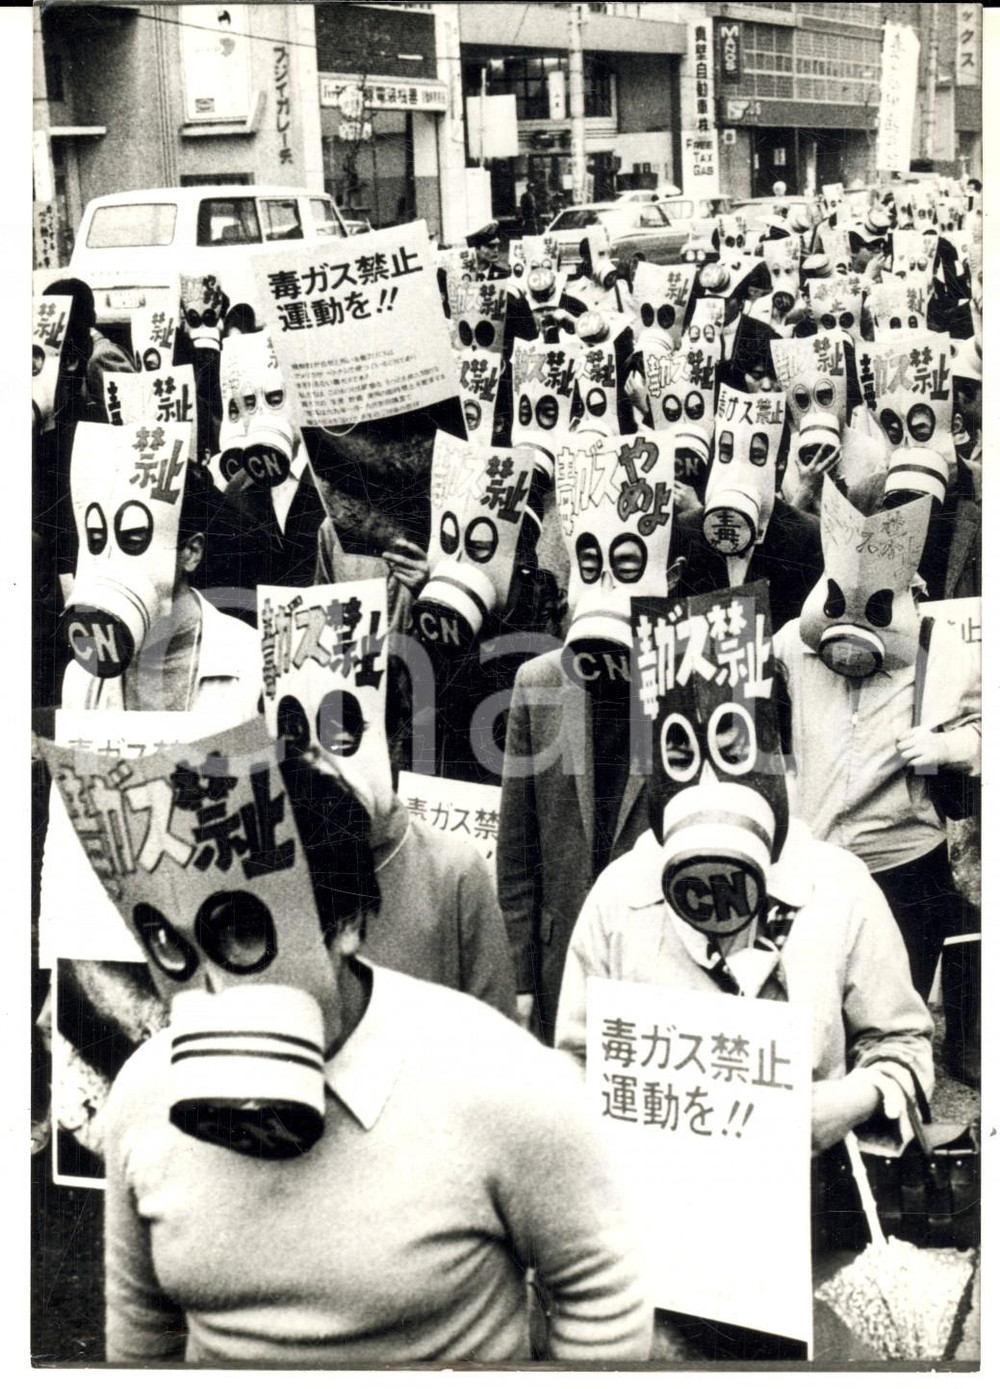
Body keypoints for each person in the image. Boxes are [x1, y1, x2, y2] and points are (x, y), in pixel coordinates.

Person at [97, 738, 653, 1364]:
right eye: (177, 940)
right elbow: (142, 1330)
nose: (214, 980)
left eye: (246, 931)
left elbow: (600, 1290)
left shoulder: (495, 1073)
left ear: (349, 925)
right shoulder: (146, 1094)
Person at [555, 581, 934, 1361]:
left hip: (808, 1233)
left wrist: (844, 1101)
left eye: (735, 746)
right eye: (681, 754)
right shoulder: (620, 895)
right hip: (656, 1251)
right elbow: (573, 1063)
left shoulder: (838, 885)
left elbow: (907, 1047)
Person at [773, 480, 980, 1012]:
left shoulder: (943, 650)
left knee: (895, 1007)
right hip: (819, 855)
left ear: (913, 586)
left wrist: (951, 746)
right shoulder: (792, 649)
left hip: (905, 859)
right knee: (820, 999)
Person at [61, 460, 260, 715]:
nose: (114, 561)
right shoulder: (82, 677)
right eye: (98, 541)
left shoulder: (254, 661)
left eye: (133, 540)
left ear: (190, 552)